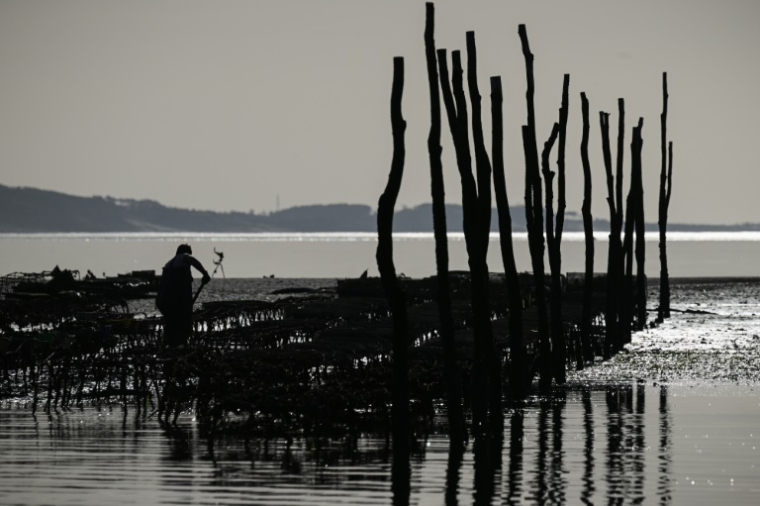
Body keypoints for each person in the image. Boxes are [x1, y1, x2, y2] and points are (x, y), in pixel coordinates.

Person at [156, 244, 211, 348]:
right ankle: (180, 347)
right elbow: (191, 260)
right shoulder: (183, 257)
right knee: (183, 324)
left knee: (172, 325)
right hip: (176, 300)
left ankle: (170, 347)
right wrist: (204, 273)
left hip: (163, 301)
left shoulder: (169, 264)